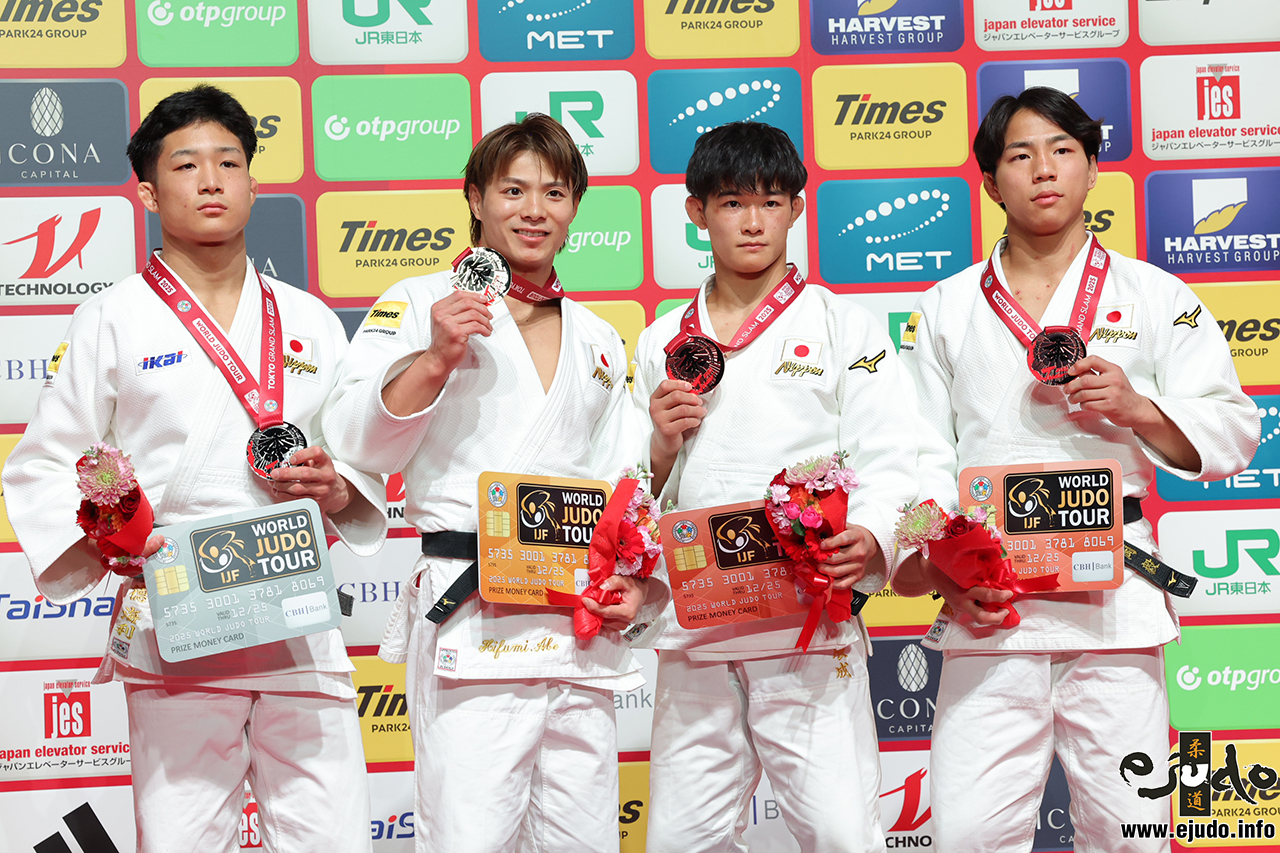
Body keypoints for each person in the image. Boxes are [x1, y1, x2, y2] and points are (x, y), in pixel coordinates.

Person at [2, 85, 387, 852]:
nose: (211, 179)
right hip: (178, 617)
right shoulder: (111, 316)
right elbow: (45, 461)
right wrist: (110, 543)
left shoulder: (309, 317)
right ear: (147, 190)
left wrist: (339, 487)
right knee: (181, 839)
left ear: (253, 182)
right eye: (186, 164)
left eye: (228, 161)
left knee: (334, 838)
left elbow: (360, 458)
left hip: (296, 621)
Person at [892, 87, 1260, 853]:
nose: (1043, 170)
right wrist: (938, 566)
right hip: (992, 608)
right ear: (991, 181)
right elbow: (915, 457)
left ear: (1093, 168)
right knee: (963, 835)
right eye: (1019, 156)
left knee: (1132, 833)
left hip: (1114, 610)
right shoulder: (945, 306)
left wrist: (1138, 407)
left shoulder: (1155, 295)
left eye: (1062, 150)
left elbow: (1235, 428)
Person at [322, 113, 657, 853]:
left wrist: (635, 577)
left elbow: (622, 482)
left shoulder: (600, 337)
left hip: (576, 619)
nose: (534, 210)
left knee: (587, 838)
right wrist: (437, 355)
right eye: (513, 190)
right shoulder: (418, 302)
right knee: (469, 834)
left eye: (556, 192)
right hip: (475, 610)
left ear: (575, 208)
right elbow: (355, 438)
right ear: (475, 197)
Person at [633, 121, 919, 853]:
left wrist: (876, 537)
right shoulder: (659, 339)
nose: (752, 220)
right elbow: (632, 491)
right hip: (698, 626)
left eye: (770, 200)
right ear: (696, 212)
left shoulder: (844, 325)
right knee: (678, 840)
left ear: (797, 207)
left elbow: (894, 456)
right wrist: (660, 442)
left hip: (806, 624)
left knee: (840, 832)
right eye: (731, 202)